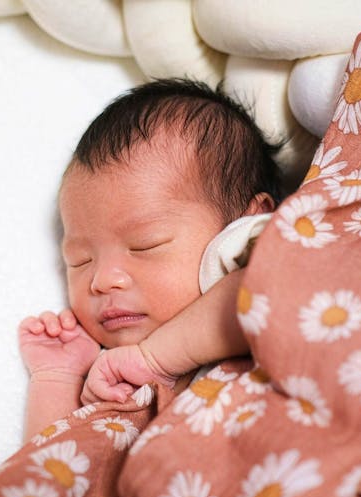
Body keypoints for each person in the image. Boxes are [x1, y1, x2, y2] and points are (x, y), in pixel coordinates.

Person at [18, 78, 282, 439]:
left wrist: (154, 360)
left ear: (247, 222)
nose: (102, 280)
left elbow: (274, 288)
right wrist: (57, 378)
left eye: (146, 245)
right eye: (80, 261)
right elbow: (54, 472)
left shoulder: (244, 252)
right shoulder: (106, 377)